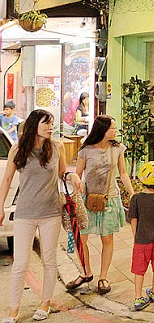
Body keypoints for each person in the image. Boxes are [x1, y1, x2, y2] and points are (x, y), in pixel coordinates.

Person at [0, 109, 81, 322]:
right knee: (20, 263)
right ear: (34, 125)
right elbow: (7, 179)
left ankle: (45, 303)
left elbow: (62, 173)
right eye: (46, 123)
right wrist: (0, 207)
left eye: (52, 123)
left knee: (49, 260)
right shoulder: (18, 149)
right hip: (25, 212)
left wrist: (72, 176)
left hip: (51, 213)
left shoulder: (57, 146)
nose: (50, 127)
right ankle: (13, 310)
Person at [66, 115, 134, 295]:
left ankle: (103, 277)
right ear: (102, 130)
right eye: (112, 128)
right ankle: (86, 272)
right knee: (81, 238)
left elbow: (123, 173)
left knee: (107, 239)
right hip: (87, 199)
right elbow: (78, 174)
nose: (115, 131)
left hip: (109, 198)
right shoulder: (86, 150)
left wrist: (132, 194)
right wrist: (76, 189)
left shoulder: (117, 148)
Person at [128, 161, 154, 311]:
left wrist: (136, 235)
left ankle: (138, 298)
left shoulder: (136, 198)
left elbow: (133, 219)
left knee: (139, 269)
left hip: (141, 240)